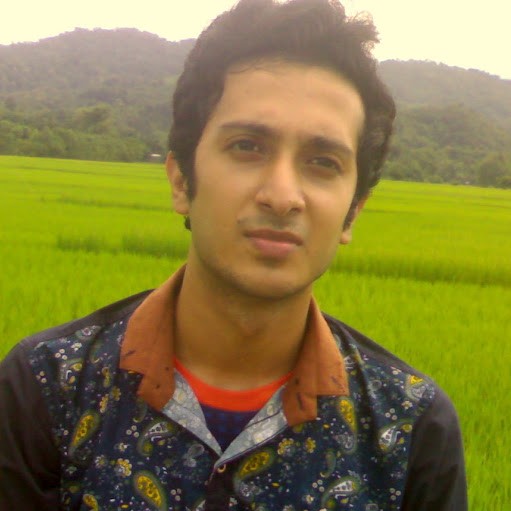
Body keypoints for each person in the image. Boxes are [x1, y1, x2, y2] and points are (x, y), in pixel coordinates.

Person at [0, 0, 467, 509]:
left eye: (323, 161)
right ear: (182, 181)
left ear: (353, 211)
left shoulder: (411, 426)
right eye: (247, 146)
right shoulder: (47, 388)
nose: (282, 196)